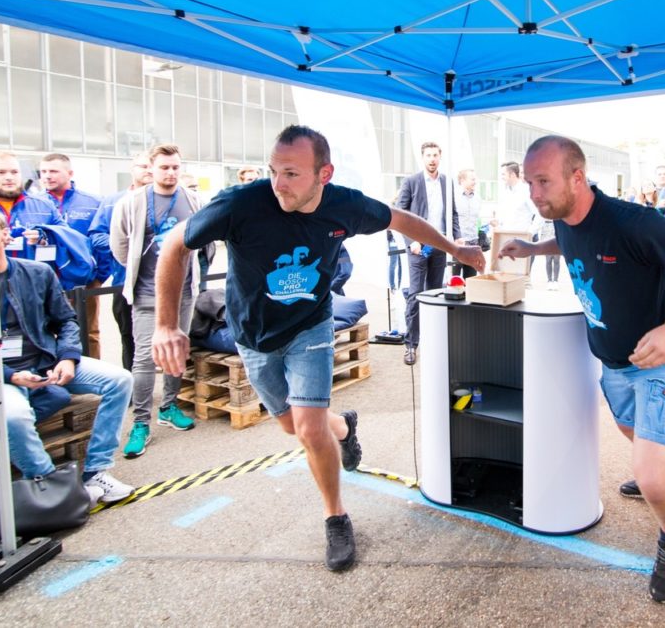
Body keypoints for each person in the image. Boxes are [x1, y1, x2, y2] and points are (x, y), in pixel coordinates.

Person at [150, 125, 484, 573]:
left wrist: (454, 247)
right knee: (293, 427)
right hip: (255, 335)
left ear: (323, 173)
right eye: (273, 171)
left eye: (291, 173)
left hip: (311, 326)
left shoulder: (345, 205)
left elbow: (399, 219)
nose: (278, 184)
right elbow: (174, 247)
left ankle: (335, 516)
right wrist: (166, 325)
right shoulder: (240, 204)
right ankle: (343, 429)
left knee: (308, 430)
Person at [498, 135, 665, 604]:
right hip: (615, 361)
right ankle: (657, 471)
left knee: (653, 476)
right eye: (530, 182)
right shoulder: (564, 216)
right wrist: (530, 248)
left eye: (543, 181)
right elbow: (569, 243)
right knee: (633, 433)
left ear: (577, 178)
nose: (534, 193)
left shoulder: (633, 222)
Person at [0, 208, 134, 504]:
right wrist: (10, 376)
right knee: (15, 414)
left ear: (4, 234)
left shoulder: (37, 273)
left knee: (120, 380)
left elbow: (66, 321)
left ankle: (96, 470)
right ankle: (52, 485)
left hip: (44, 361)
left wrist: (68, 358)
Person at [111, 143, 203, 458]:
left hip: (185, 291)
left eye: (176, 167)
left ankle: (169, 407)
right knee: (144, 359)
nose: (171, 172)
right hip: (148, 293)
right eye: (164, 167)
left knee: (178, 350)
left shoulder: (192, 199)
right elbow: (120, 244)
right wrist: (141, 274)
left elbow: (204, 242)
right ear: (152, 168)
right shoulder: (133, 202)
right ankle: (140, 422)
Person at [396, 142, 460, 366]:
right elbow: (399, 214)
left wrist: (457, 237)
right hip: (418, 246)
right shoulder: (411, 182)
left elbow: (452, 213)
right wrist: (411, 240)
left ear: (440, 157)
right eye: (428, 155)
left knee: (435, 293)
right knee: (415, 294)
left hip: (440, 244)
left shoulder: (446, 182)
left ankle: (433, 343)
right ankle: (411, 345)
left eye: (435, 155)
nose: (432, 159)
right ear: (422, 158)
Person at [88, 152, 152, 371]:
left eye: (152, 166)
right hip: (125, 282)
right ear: (132, 169)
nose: (148, 170)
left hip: (163, 281)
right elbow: (97, 236)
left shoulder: (172, 201)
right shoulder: (112, 203)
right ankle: (132, 384)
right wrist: (129, 247)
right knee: (129, 336)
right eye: (143, 166)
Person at [38, 153, 106, 358]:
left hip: (84, 280)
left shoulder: (93, 202)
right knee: (47, 329)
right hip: (46, 280)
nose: (47, 176)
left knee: (89, 330)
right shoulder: (36, 203)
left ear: (70, 173)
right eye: (43, 172)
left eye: (53, 171)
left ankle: (95, 372)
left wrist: (98, 276)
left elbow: (102, 240)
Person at [453, 168, 481, 279]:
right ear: (463, 180)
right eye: (472, 179)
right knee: (453, 278)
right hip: (458, 243)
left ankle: (468, 297)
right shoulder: (454, 197)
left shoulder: (478, 197)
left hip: (473, 243)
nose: (475, 181)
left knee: (471, 279)